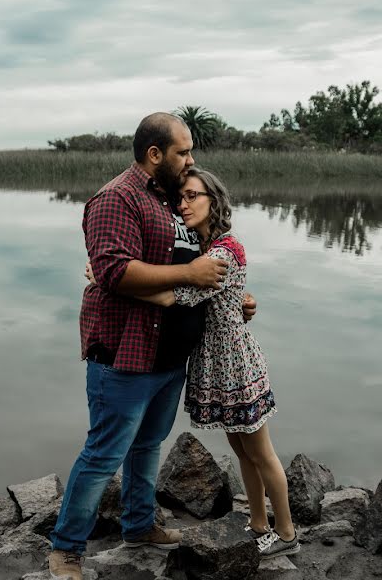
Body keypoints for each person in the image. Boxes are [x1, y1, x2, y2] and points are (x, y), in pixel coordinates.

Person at [48, 113, 256, 580]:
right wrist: (189, 276)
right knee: (103, 453)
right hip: (125, 354)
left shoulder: (170, 200)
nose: (191, 159)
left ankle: (139, 525)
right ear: (155, 154)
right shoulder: (115, 199)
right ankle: (65, 551)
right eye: (183, 151)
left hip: (168, 357)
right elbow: (114, 271)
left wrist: (231, 299)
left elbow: (195, 264)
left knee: (148, 446)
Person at [127, 167, 299, 560]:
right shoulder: (206, 249)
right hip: (218, 363)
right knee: (242, 451)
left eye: (193, 196)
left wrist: (115, 283)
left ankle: (286, 532)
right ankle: (258, 523)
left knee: (262, 453)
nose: (183, 204)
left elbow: (175, 297)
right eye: (180, 198)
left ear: (213, 201)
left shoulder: (222, 252)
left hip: (235, 364)